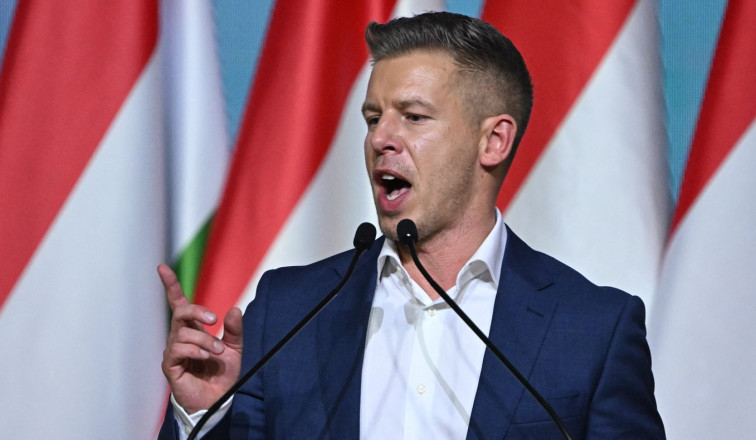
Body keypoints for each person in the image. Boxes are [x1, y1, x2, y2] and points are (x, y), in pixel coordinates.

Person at [158, 11, 665, 439]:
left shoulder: (592, 330)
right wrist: (204, 415)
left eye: (414, 117)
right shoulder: (289, 312)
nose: (381, 138)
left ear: (493, 141)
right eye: (373, 117)